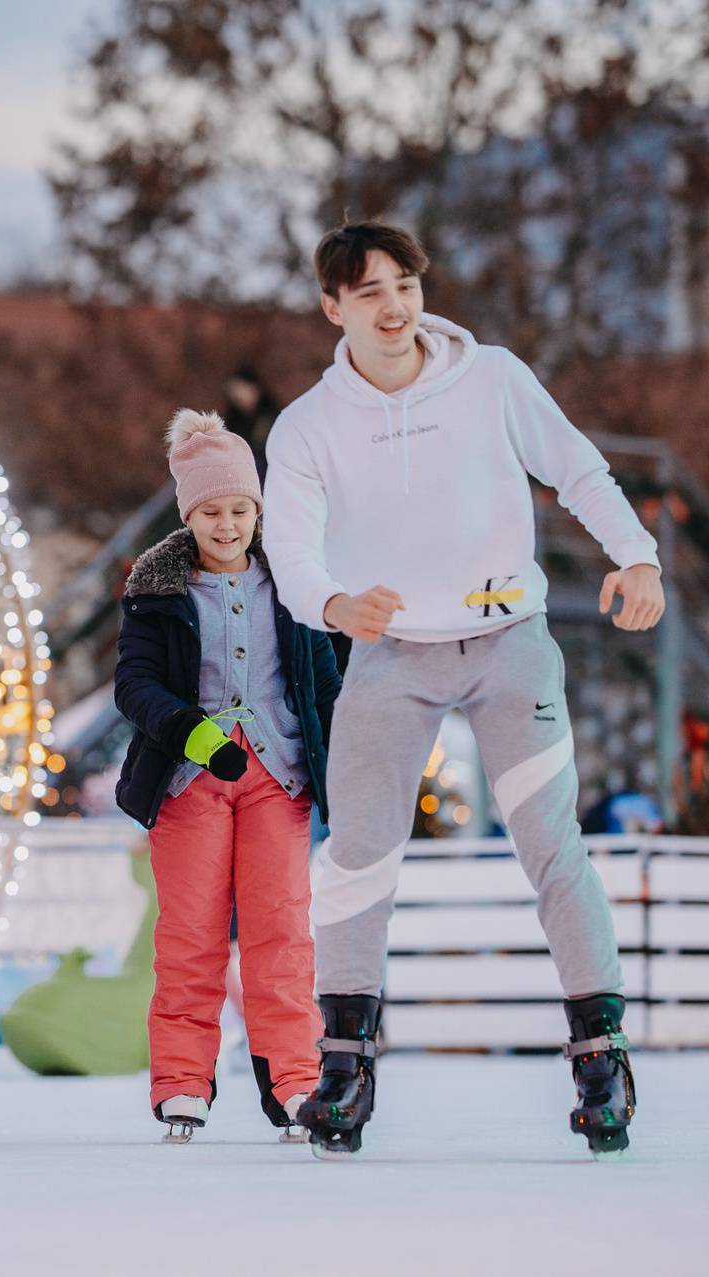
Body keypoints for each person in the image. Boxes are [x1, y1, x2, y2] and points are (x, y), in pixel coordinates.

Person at [262, 220, 665, 1159]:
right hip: (392, 653)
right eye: (369, 292)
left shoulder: (492, 379)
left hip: (508, 640)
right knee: (358, 852)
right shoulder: (309, 427)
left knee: (550, 842)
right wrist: (334, 601)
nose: (395, 306)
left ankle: (601, 1056)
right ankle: (346, 1069)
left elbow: (577, 466)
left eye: (404, 283)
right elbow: (290, 550)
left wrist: (637, 557)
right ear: (333, 307)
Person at [114, 410, 339, 1143]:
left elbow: (324, 682)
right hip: (189, 781)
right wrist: (194, 733)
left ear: (258, 510)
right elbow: (136, 685)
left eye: (240, 508)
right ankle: (183, 1080)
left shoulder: (296, 582)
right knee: (191, 936)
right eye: (212, 510)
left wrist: (343, 764)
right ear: (189, 514)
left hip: (279, 775)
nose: (228, 523)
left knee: (282, 933)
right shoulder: (158, 590)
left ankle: (297, 1080)